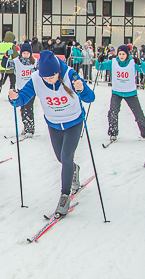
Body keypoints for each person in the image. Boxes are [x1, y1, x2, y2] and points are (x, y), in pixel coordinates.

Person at [9, 50, 96, 217]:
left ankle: (64, 195)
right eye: (45, 78)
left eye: (52, 77)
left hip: (73, 122)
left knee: (65, 157)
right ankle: (74, 169)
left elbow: (90, 98)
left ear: (58, 71)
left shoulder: (70, 75)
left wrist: (82, 88)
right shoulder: (36, 79)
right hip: (54, 123)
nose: (49, 81)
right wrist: (15, 98)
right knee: (61, 158)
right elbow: (24, 97)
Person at [95, 44, 145, 143]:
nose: (121, 56)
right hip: (117, 92)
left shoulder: (132, 63)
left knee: (138, 113)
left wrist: (140, 62)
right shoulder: (113, 62)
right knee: (113, 112)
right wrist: (98, 61)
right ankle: (113, 133)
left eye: (123, 54)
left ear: (127, 55)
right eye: (120, 54)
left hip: (130, 92)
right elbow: (99, 67)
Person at [9, 42, 38, 136]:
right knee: (22, 109)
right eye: (24, 53)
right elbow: (5, 65)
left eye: (28, 53)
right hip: (21, 89)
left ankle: (30, 129)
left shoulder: (34, 62)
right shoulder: (16, 61)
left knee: (28, 108)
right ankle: (26, 127)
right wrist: (6, 56)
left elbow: (39, 72)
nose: (26, 55)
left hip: (31, 89)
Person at [0, 31, 20, 100]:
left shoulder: (0, 45)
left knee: (2, 80)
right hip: (11, 67)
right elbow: (15, 56)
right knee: (12, 82)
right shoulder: (11, 46)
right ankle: (11, 95)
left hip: (2, 66)